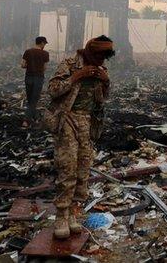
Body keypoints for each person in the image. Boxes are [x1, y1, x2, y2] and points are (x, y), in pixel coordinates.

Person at [46, 36, 114, 239]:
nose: (103, 60)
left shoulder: (101, 69)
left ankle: (74, 213)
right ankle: (61, 215)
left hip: (87, 122)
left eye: (105, 57)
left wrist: (105, 82)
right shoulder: (69, 64)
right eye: (100, 56)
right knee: (67, 168)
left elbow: (102, 99)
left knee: (83, 169)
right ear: (92, 53)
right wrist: (77, 76)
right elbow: (53, 90)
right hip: (67, 120)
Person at [21, 36, 50, 128]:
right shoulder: (45, 54)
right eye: (44, 43)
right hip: (38, 78)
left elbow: (22, 65)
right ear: (41, 43)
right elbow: (45, 68)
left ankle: (34, 117)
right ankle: (26, 121)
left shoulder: (28, 52)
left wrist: (29, 66)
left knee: (30, 99)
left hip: (28, 77)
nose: (44, 45)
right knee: (33, 100)